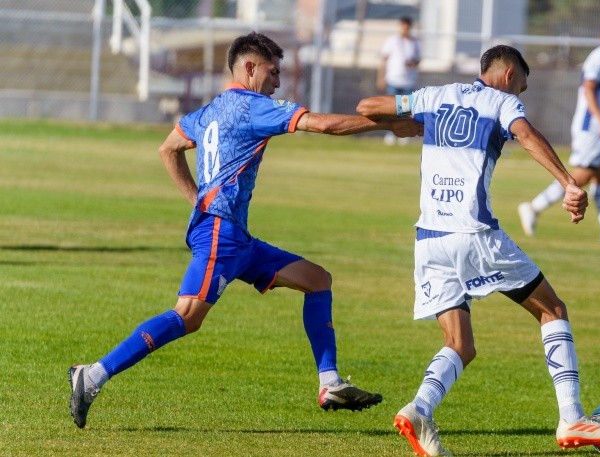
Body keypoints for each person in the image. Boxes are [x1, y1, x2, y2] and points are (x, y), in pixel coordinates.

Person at [67, 31, 422, 429]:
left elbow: (168, 148)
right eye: (273, 72)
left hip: (235, 237)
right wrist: (388, 124)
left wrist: (200, 201)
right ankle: (93, 374)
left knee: (318, 280)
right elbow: (322, 125)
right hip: (222, 234)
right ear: (250, 68)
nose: (278, 82)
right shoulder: (253, 107)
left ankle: (329, 383)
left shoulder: (211, 110)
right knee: (187, 315)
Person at [356, 46, 600, 456]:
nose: (523, 89)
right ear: (508, 76)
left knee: (460, 345)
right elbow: (526, 134)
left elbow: (367, 106)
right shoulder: (502, 101)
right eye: (523, 81)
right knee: (552, 310)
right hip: (474, 234)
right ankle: (571, 417)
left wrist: (411, 121)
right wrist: (568, 183)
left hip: (429, 239)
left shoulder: (435, 96)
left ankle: (419, 408)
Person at [518, 18, 600, 244]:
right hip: (591, 128)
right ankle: (534, 207)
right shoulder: (599, 57)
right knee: (582, 176)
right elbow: (589, 91)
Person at [377, 15, 421, 146]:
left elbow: (418, 60)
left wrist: (413, 64)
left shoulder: (415, 43)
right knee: (392, 109)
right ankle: (390, 133)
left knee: (406, 110)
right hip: (393, 79)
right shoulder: (392, 41)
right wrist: (380, 77)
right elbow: (384, 60)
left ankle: (404, 133)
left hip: (408, 81)